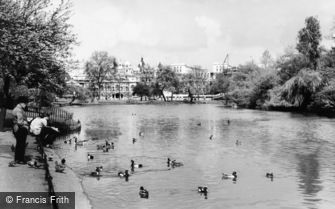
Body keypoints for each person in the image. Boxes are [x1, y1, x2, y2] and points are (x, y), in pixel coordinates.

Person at [12, 96, 29, 164]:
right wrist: (26, 123)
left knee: (19, 144)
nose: (26, 105)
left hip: (16, 128)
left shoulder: (16, 109)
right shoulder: (19, 110)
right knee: (21, 144)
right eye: (25, 103)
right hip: (21, 129)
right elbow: (20, 121)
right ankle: (20, 159)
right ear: (21, 103)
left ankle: (17, 159)